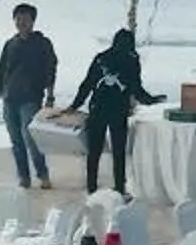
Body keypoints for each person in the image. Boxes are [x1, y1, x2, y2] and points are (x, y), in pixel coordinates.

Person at [67, 27, 160, 197]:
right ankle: (119, 188)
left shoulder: (101, 58)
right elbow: (136, 88)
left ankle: (92, 188)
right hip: (118, 111)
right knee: (118, 151)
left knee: (94, 151)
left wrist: (75, 105)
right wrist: (151, 100)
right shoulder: (131, 61)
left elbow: (87, 84)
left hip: (98, 109)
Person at [0, 2, 60, 191]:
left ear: (32, 21)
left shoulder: (42, 43)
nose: (21, 22)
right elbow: (1, 72)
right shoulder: (10, 44)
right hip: (9, 98)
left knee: (31, 138)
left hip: (31, 98)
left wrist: (50, 95)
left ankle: (43, 174)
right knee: (16, 141)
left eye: (25, 18)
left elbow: (51, 69)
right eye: (18, 18)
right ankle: (23, 177)